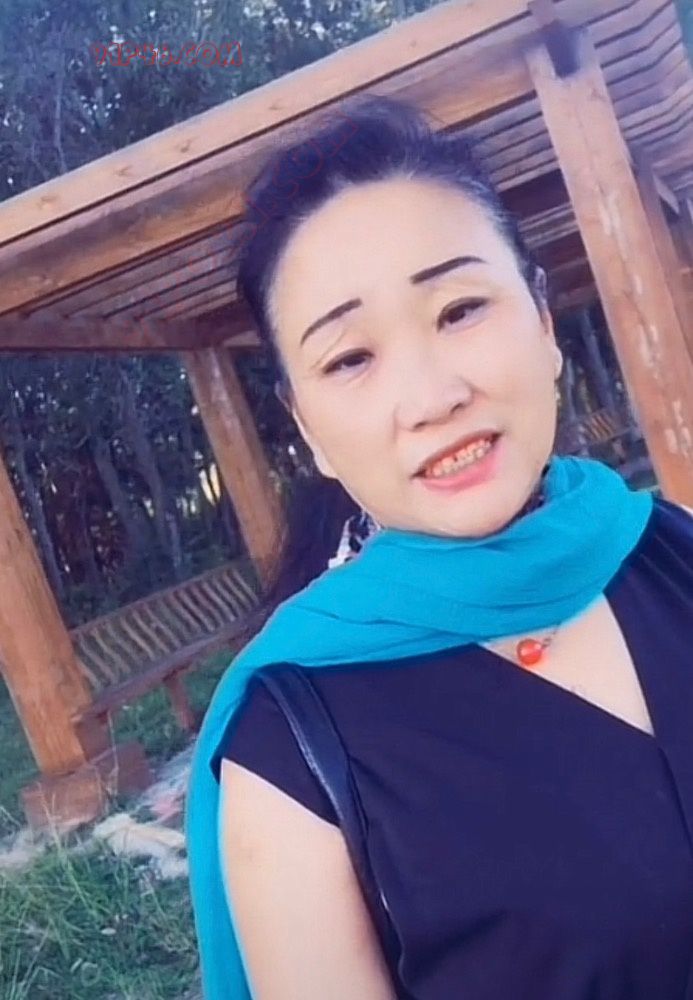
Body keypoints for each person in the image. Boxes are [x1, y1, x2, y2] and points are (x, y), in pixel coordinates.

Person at [185, 95, 693, 1000]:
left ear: (543, 325)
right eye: (350, 359)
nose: (431, 396)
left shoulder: (670, 548)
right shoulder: (291, 745)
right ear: (308, 430)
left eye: (458, 308)